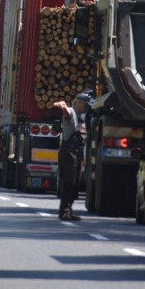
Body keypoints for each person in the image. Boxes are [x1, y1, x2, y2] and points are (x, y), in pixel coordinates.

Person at [53, 92, 92, 221]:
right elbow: (67, 112)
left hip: (76, 152)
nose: (87, 107)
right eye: (85, 104)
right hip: (69, 152)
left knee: (75, 183)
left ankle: (68, 210)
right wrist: (63, 106)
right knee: (68, 182)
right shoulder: (72, 112)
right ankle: (64, 212)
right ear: (79, 103)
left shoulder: (82, 116)